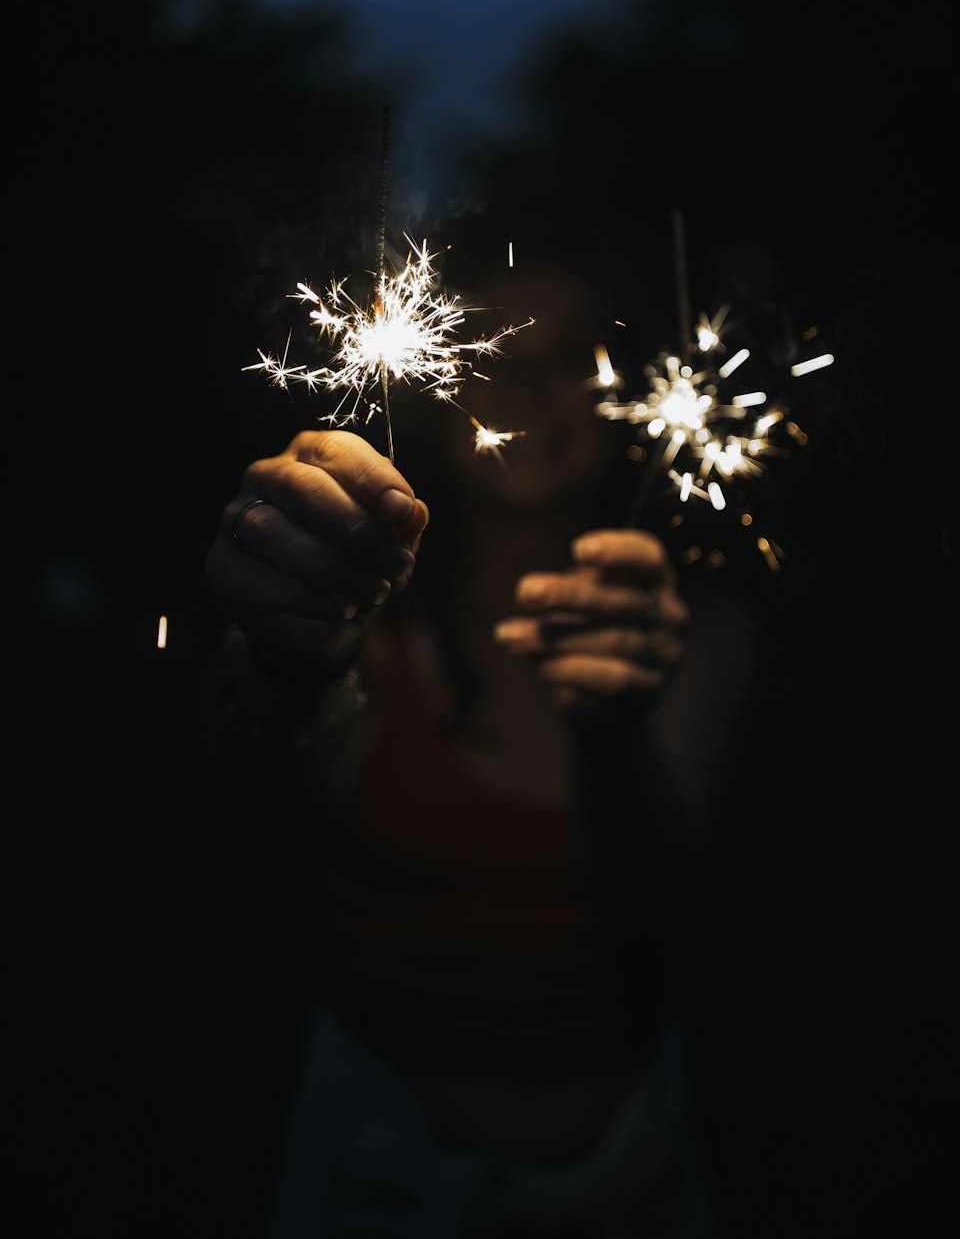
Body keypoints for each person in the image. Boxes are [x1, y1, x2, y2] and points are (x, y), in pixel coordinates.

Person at [205, 261, 749, 1237]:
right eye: (493, 356)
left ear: (620, 387)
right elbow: (264, 808)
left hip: (629, 1162)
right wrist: (288, 658)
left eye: (562, 358)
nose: (525, 393)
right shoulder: (368, 604)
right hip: (377, 1150)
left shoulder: (689, 627)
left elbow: (663, 905)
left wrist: (614, 730)